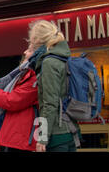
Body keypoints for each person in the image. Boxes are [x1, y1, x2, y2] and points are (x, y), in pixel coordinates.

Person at [28, 20, 79, 152]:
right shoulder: (63, 58)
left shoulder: (49, 63)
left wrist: (42, 137)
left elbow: (50, 104)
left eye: (31, 40)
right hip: (70, 131)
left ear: (37, 40)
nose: (30, 43)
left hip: (57, 135)